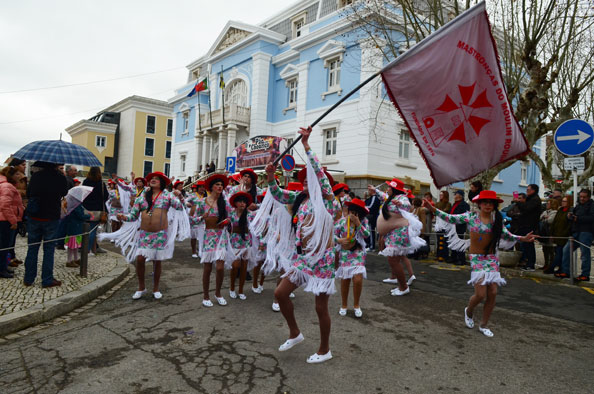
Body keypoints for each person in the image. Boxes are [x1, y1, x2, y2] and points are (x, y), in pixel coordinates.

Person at [264, 126, 340, 364]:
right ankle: (295, 333)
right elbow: (277, 193)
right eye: (304, 180)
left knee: (320, 307)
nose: (306, 183)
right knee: (280, 293)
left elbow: (320, 175)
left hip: (323, 260)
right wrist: (270, 176)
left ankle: (324, 349)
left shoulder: (329, 202)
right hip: (302, 259)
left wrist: (306, 145)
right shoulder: (300, 199)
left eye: (310, 180)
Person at [424, 190, 537, 337]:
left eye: (491, 203)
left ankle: (484, 325)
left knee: (493, 292)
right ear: (479, 204)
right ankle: (469, 311)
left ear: (494, 205)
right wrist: (432, 208)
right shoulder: (471, 216)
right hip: (477, 258)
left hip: (491, 258)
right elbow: (450, 218)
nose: (488, 205)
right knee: (480, 294)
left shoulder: (496, 219)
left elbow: (506, 235)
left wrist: (522, 238)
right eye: (485, 202)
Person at [115, 172, 186, 299]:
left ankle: (156, 288)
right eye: (152, 178)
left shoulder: (167, 196)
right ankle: (141, 287)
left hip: (160, 233)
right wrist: (123, 217)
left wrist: (180, 196)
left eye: (156, 179)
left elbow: (180, 207)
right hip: (144, 234)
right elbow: (133, 216)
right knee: (140, 259)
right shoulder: (142, 197)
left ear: (162, 183)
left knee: (156, 261)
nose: (153, 180)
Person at [375, 179, 425, 294]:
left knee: (393, 260)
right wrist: (375, 190)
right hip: (393, 233)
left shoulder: (402, 198)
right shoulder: (390, 198)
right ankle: (401, 285)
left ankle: (403, 287)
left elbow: (407, 205)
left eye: (389, 187)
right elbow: (382, 195)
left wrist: (400, 204)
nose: (387, 189)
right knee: (394, 260)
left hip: (399, 233)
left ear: (394, 189)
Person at [23, 162, 68, 287]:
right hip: (51, 216)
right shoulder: (59, 177)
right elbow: (64, 192)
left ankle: (28, 278)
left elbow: (29, 193)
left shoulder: (36, 176)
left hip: (35, 215)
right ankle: (47, 279)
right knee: (48, 250)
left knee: (32, 248)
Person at [192, 173, 232, 307]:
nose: (220, 187)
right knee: (207, 268)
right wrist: (202, 217)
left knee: (220, 268)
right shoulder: (202, 202)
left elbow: (231, 218)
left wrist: (227, 222)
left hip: (221, 236)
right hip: (208, 236)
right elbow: (193, 219)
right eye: (217, 185)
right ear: (212, 187)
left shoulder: (225, 204)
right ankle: (206, 295)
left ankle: (218, 293)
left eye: (221, 185)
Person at [335, 199, 370, 318]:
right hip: (345, 253)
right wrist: (339, 240)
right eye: (351, 211)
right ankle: (344, 305)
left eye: (356, 212)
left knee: (358, 278)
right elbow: (332, 235)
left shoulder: (364, 221)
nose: (352, 214)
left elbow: (367, 235)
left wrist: (358, 223)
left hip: (358, 253)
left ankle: (356, 305)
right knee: (345, 279)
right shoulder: (342, 222)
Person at [556, 189, 594, 281]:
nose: (582, 199)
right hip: (576, 231)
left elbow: (592, 218)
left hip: (586, 231)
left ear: (588, 197)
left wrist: (579, 219)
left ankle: (585, 274)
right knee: (566, 250)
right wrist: (571, 216)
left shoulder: (592, 206)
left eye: (584, 197)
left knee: (584, 253)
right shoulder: (578, 206)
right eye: (581, 196)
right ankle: (566, 271)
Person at [226, 192, 255, 300]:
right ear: (236, 203)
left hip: (246, 242)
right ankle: (232, 288)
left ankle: (241, 290)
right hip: (234, 242)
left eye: (244, 202)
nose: (242, 204)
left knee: (244, 268)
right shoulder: (231, 214)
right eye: (240, 202)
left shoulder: (251, 214)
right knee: (235, 266)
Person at [0, 166, 25, 278]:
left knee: (5, 245)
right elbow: (5, 205)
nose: (19, 176)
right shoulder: (7, 187)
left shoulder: (9, 186)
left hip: (6, 219)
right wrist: (13, 220)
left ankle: (3, 267)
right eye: (16, 174)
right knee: (3, 245)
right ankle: (1, 269)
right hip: (5, 220)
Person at [514, 184, 542, 271]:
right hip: (525, 224)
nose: (527, 191)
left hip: (529, 225)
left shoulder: (535, 200)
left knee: (529, 245)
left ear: (533, 190)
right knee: (525, 245)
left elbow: (526, 208)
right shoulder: (530, 199)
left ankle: (530, 264)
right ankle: (527, 262)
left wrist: (518, 202)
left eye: (528, 189)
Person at [82, 167, 108, 255]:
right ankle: (88, 250)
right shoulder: (101, 183)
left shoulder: (85, 182)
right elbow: (106, 196)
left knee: (86, 230)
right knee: (92, 230)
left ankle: (91, 248)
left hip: (86, 208)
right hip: (97, 209)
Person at [63, 188, 91, 268]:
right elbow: (80, 215)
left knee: (75, 245)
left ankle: (76, 258)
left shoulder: (74, 203)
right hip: (74, 226)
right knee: (72, 245)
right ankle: (69, 260)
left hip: (74, 226)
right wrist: (89, 216)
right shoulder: (76, 204)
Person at [547, 195, 572, 274]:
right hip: (557, 234)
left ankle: (552, 267)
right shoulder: (560, 210)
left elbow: (569, 225)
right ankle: (559, 268)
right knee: (558, 252)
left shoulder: (569, 211)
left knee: (560, 253)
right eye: (562, 201)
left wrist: (565, 234)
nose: (563, 203)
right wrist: (552, 234)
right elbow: (555, 222)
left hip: (564, 236)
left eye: (565, 201)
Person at [448, 190, 470, 265]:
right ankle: (453, 257)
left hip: (460, 226)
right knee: (453, 241)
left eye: (455, 194)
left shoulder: (464, 205)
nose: (454, 196)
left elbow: (463, 215)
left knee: (460, 242)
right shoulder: (455, 204)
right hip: (453, 226)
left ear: (460, 196)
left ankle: (461, 259)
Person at [186, 181, 206, 258]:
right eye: (200, 187)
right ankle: (194, 251)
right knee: (193, 236)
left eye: (203, 187)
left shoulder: (206, 196)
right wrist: (187, 204)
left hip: (203, 218)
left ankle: (201, 251)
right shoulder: (193, 196)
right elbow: (184, 201)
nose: (202, 188)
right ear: (197, 188)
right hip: (193, 218)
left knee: (202, 236)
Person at [539, 199, 559, 271]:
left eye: (549, 203)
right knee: (545, 249)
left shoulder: (555, 212)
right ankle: (546, 263)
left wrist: (544, 218)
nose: (547, 205)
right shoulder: (545, 212)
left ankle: (551, 265)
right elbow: (540, 218)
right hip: (544, 233)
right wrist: (544, 218)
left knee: (551, 250)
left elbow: (550, 220)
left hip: (550, 233)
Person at [435, 190, 452, 262]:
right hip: (438, 224)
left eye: (442, 195)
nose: (440, 196)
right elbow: (436, 211)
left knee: (444, 241)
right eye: (440, 195)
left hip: (445, 224)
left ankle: (444, 255)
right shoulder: (438, 203)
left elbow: (445, 211)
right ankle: (439, 255)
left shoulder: (448, 204)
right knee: (439, 240)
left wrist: (440, 211)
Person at [365, 185, 381, 251]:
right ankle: (369, 244)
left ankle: (372, 246)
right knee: (369, 231)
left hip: (372, 216)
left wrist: (364, 207)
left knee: (371, 231)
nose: (368, 191)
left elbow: (370, 206)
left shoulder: (374, 197)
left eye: (369, 190)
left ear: (372, 190)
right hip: (370, 216)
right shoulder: (371, 197)